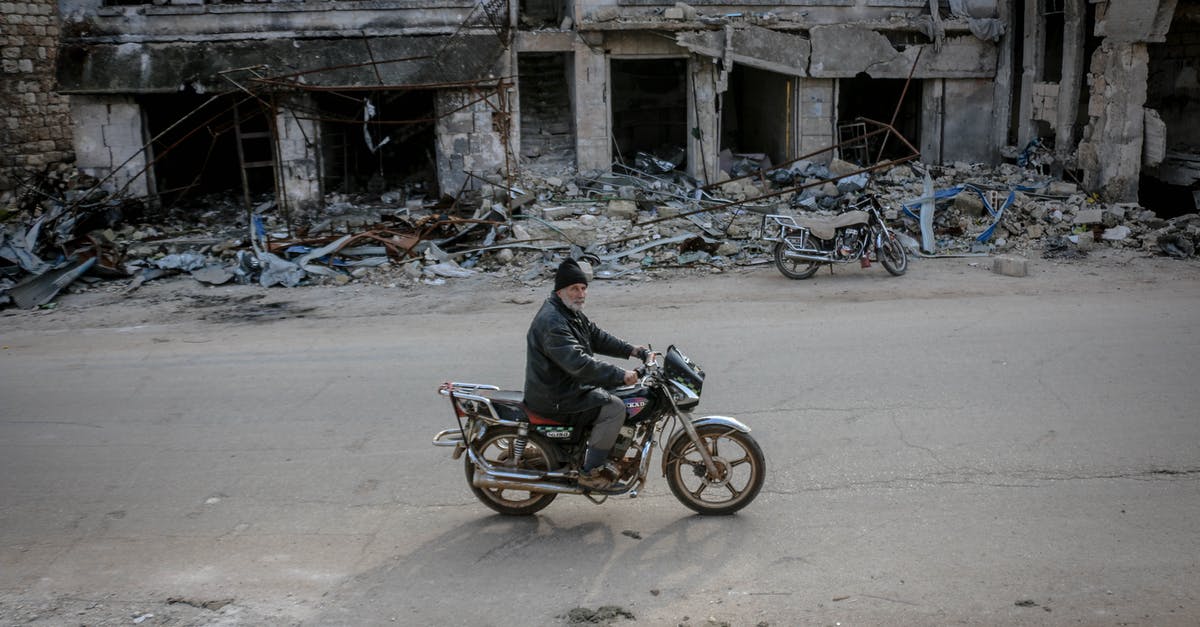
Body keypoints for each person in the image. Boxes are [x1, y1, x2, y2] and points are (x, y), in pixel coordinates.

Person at [524, 258, 648, 489]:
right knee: (615, 408)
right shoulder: (553, 322)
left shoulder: (567, 312)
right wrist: (620, 373)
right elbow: (579, 364)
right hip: (557, 396)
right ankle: (591, 473)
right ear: (560, 291)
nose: (580, 294)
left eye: (583, 288)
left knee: (619, 393)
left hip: (565, 387)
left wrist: (632, 349)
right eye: (574, 288)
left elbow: (595, 335)